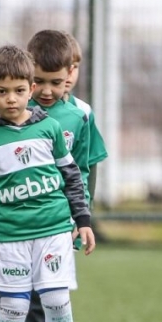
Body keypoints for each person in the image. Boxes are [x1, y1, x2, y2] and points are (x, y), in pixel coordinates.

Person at [0, 44, 95, 322]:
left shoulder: (50, 128)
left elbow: (71, 175)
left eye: (20, 90)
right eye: (2, 91)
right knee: (11, 308)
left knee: (56, 301)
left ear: (31, 89)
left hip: (53, 231)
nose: (11, 99)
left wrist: (83, 219)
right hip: (9, 239)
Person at [63, 32, 109, 207]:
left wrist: (86, 206)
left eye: (74, 67)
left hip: (72, 209)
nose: (69, 74)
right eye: (64, 68)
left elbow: (91, 162)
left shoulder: (83, 111)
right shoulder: (25, 110)